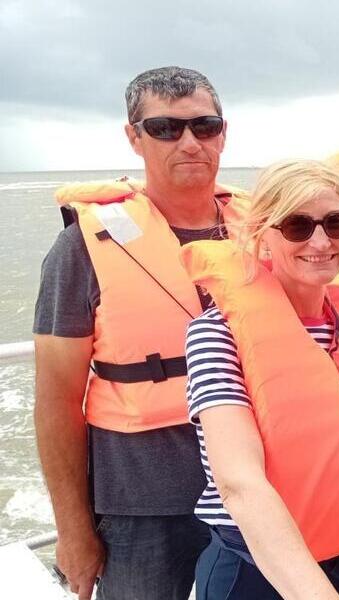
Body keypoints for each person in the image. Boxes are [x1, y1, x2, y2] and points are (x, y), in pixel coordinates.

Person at [180, 159, 339, 599]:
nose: (320, 241)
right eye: (298, 226)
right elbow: (239, 482)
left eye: (336, 223)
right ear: (262, 235)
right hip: (261, 571)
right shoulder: (215, 333)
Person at [33, 66, 241, 600]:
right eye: (166, 128)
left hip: (257, 486)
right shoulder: (81, 249)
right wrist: (73, 529)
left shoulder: (265, 231)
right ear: (134, 136)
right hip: (141, 509)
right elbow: (56, 400)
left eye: (205, 126)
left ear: (224, 132)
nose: (190, 142)